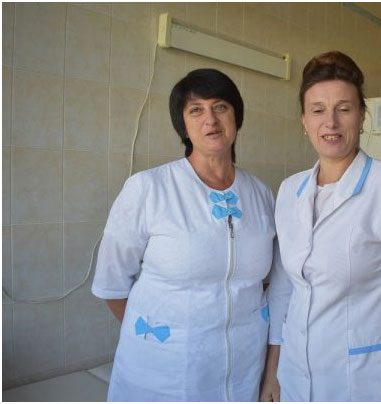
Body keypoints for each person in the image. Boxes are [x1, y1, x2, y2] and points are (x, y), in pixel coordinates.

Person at [261, 51, 381, 402]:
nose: (330, 122)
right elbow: (285, 284)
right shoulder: (290, 190)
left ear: (362, 116)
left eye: (344, 109)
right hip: (296, 372)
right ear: (304, 121)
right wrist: (274, 366)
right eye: (318, 110)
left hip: (367, 377)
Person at [92, 69, 279, 401]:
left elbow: (267, 283)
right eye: (196, 110)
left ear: (236, 116)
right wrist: (158, 338)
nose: (210, 119)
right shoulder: (149, 188)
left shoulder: (260, 194)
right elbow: (112, 285)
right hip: (167, 371)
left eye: (220, 106)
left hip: (244, 368)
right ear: (183, 125)